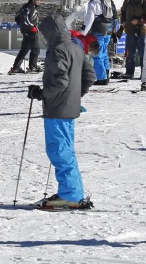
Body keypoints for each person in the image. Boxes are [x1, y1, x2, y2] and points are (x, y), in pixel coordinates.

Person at [27, 14, 95, 210]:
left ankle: (70, 194)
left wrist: (41, 94)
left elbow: (60, 81)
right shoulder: (76, 47)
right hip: (69, 107)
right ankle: (72, 191)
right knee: (65, 150)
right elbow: (90, 75)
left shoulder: (57, 51)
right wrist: (77, 95)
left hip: (57, 108)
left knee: (59, 151)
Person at [81, 0, 115, 85]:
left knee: (97, 54)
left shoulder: (93, 3)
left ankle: (102, 78)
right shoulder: (108, 1)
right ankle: (106, 74)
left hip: (99, 30)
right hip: (108, 30)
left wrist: (83, 33)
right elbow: (114, 16)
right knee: (104, 53)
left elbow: (89, 19)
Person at [120, 0, 146, 78]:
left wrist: (139, 21)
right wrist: (124, 21)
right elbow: (123, 12)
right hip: (130, 31)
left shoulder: (145, 2)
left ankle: (144, 73)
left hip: (142, 32)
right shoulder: (127, 1)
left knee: (143, 54)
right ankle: (129, 72)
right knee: (129, 53)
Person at [9, 0, 42, 75]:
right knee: (36, 49)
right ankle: (32, 67)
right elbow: (25, 20)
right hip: (31, 32)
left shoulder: (26, 7)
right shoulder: (29, 8)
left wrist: (23, 27)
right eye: (38, 1)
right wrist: (31, 27)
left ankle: (16, 68)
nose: (39, 2)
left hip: (27, 32)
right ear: (33, 0)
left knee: (24, 50)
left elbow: (17, 17)